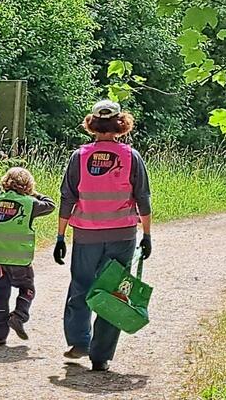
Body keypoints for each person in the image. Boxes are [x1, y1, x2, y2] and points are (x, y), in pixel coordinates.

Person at [54, 99, 152, 372]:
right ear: (121, 123)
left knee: (80, 286)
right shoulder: (131, 157)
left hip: (86, 235)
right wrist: (147, 235)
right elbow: (143, 198)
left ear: (92, 124)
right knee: (113, 293)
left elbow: (67, 198)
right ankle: (101, 356)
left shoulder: (80, 156)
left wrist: (60, 236)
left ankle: (79, 342)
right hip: (122, 235)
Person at [0, 167, 56, 345]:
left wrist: (3, 189)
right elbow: (50, 204)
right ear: (28, 186)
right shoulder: (31, 204)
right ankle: (19, 316)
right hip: (20, 261)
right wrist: (33, 193)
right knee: (28, 290)